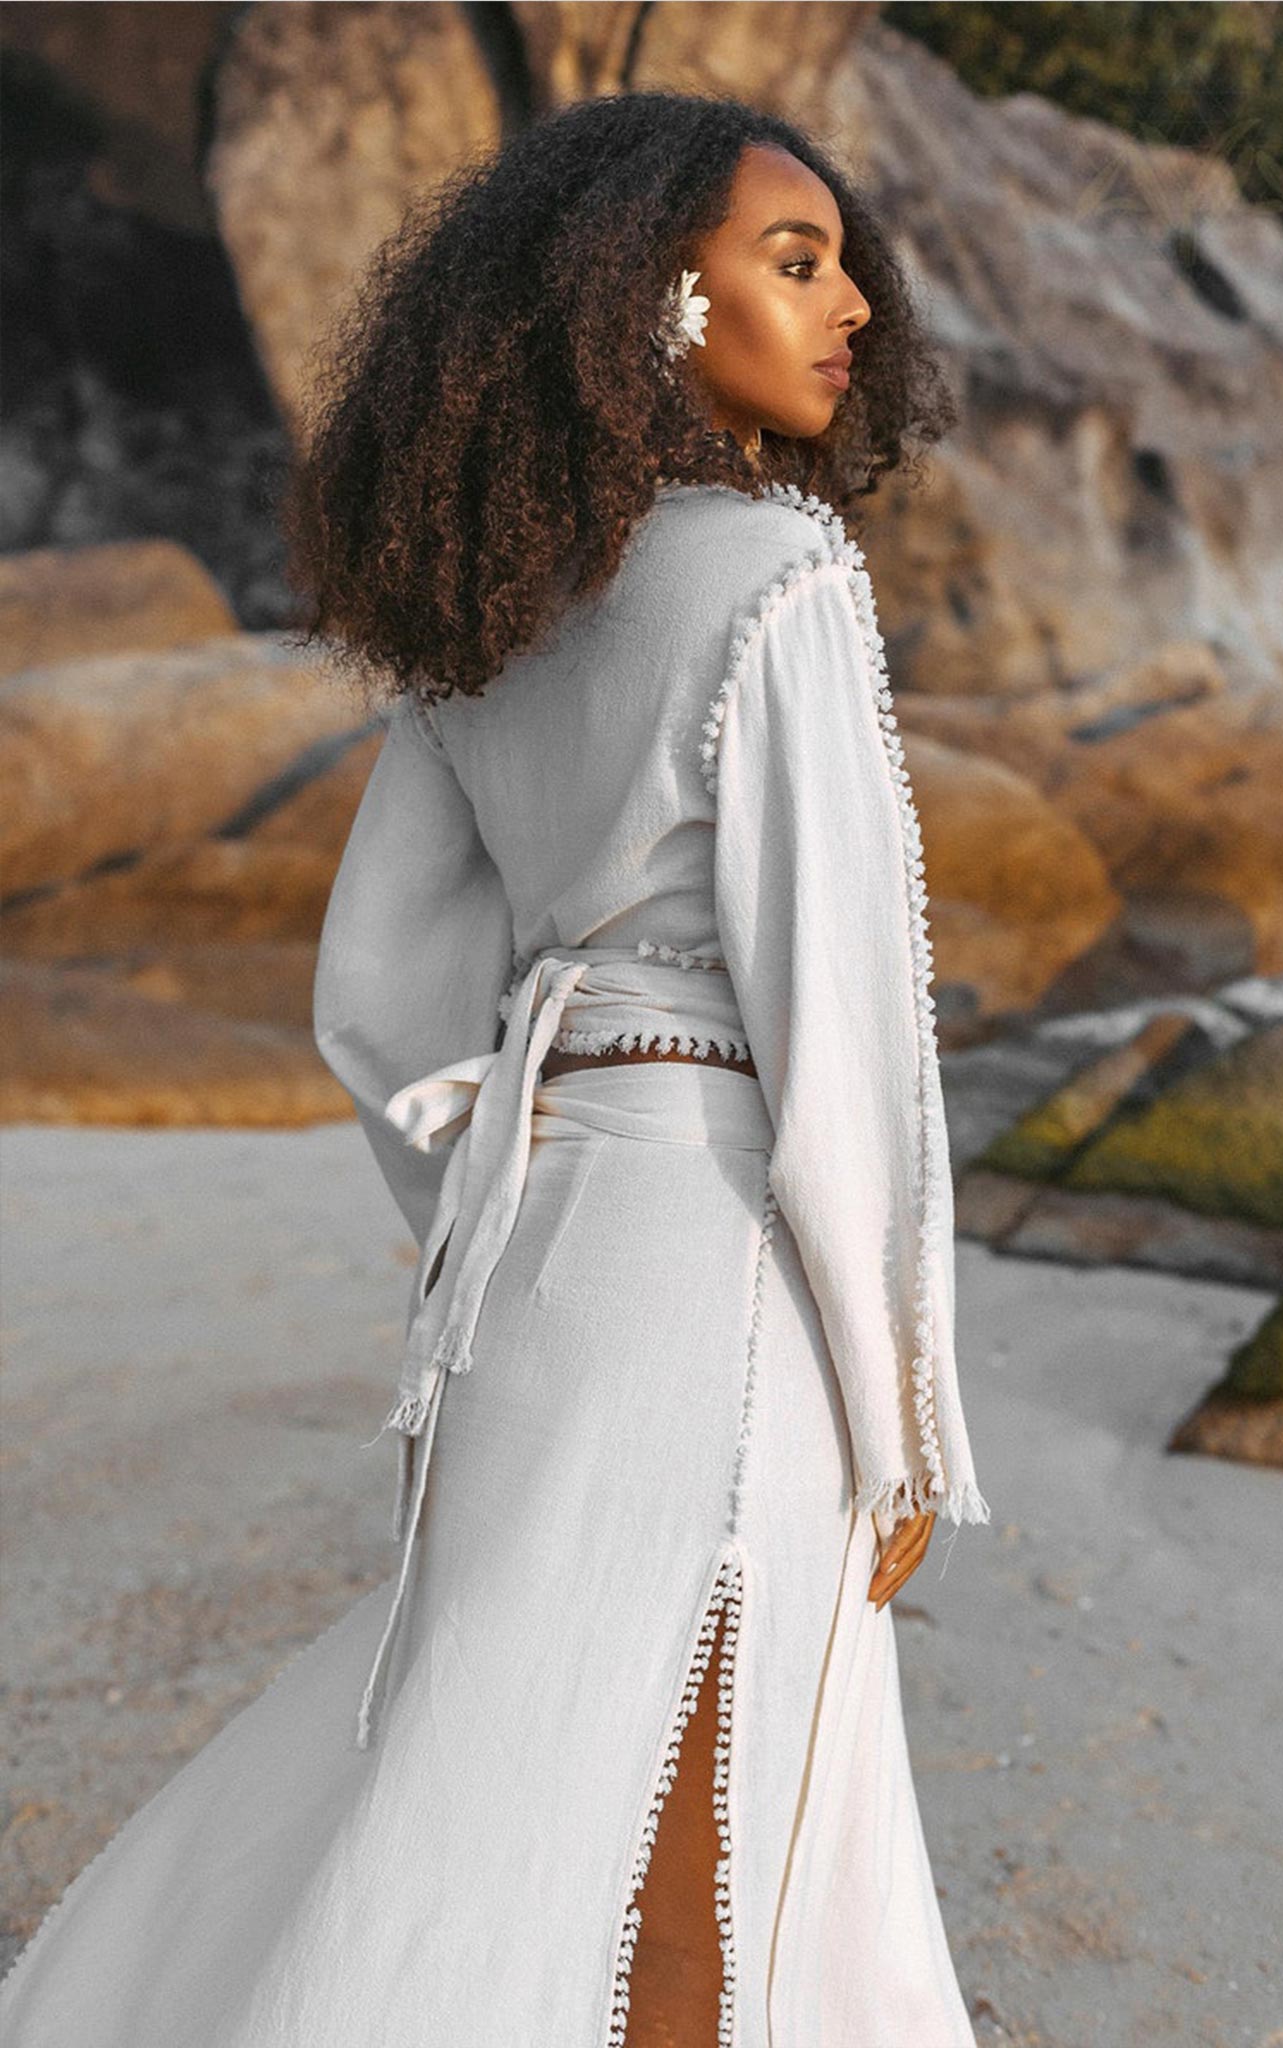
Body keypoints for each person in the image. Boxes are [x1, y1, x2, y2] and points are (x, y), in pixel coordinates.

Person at [0, 89, 990, 2047]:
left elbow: (375, 1000)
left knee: (499, 1749)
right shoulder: (776, 577)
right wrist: (905, 1410)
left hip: (535, 1262)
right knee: (698, 1829)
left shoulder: (495, 614)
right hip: (716, 1274)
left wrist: (481, 1217)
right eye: (793, 261)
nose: (853, 303)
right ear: (651, 302)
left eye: (841, 260)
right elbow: (846, 1037)